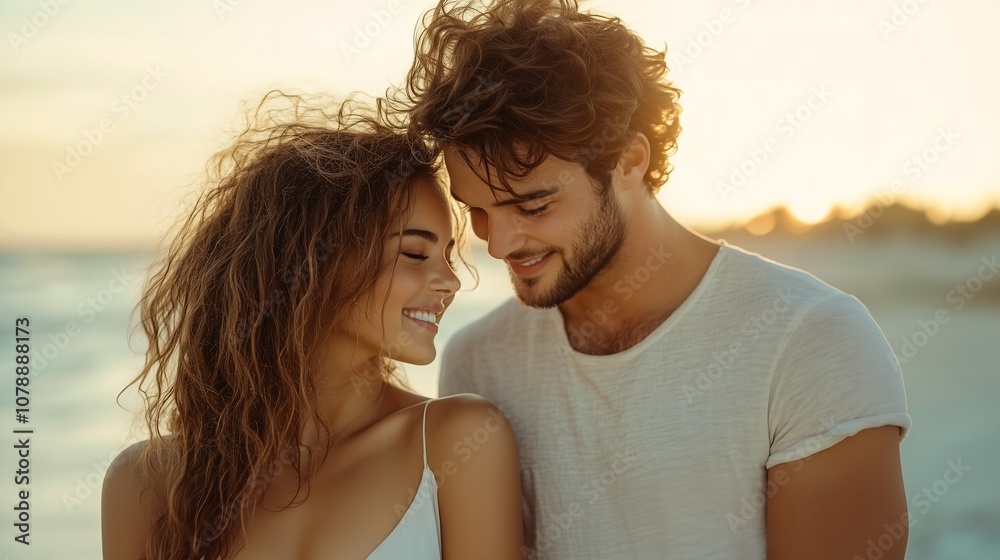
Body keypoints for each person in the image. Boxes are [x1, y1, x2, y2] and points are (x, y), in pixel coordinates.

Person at [402, 1, 912, 558]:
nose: (498, 244)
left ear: (627, 160)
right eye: (477, 211)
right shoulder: (479, 360)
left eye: (532, 205)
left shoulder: (810, 339)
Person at [101, 93, 524, 560]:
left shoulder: (454, 441)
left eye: (447, 256)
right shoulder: (146, 484)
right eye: (415, 254)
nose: (450, 281)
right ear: (314, 262)